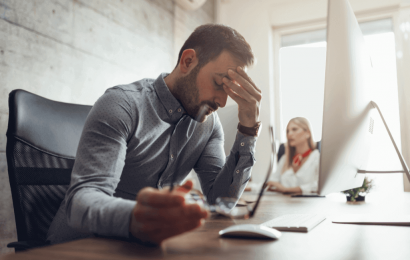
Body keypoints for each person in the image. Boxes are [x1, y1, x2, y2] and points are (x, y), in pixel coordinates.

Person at [46, 24, 262, 245]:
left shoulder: (207, 124)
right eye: (218, 83)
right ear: (188, 61)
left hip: (143, 249)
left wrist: (248, 129)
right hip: (78, 247)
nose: (223, 102)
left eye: (228, 90)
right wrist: (137, 218)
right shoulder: (122, 105)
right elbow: (80, 202)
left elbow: (220, 201)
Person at [267, 117, 319, 194]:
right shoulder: (285, 158)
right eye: (287, 131)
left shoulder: (317, 158)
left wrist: (287, 189)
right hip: (285, 203)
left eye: (294, 129)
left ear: (308, 133)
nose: (289, 134)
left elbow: (318, 185)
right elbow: (271, 181)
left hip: (308, 203)